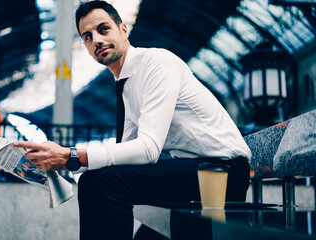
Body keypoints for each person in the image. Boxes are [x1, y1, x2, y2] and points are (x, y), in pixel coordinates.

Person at [14, 1, 251, 239]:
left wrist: (72, 155)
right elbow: (124, 155)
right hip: (194, 171)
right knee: (90, 182)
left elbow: (148, 149)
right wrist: (63, 164)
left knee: (108, 184)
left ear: (124, 29)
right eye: (87, 36)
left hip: (223, 174)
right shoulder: (126, 84)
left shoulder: (157, 63)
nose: (96, 39)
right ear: (86, 47)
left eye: (103, 29)